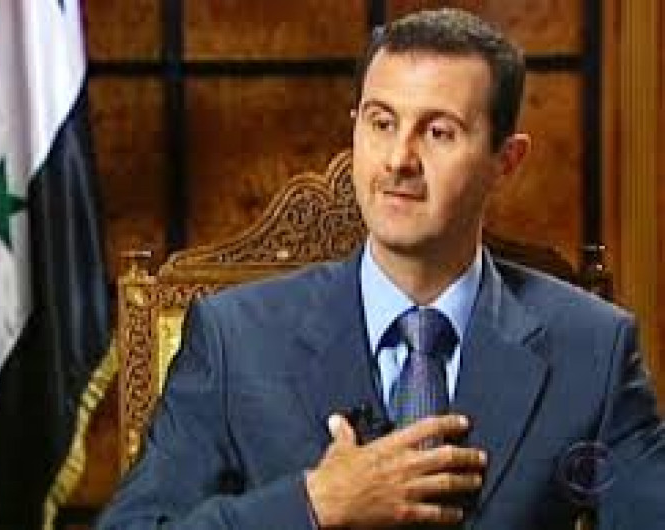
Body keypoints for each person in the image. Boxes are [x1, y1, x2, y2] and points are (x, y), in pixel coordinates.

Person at [97, 8, 665, 529]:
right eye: (381, 123)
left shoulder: (593, 348)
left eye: (438, 132)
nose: (398, 160)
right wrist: (313, 505)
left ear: (505, 160)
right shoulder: (234, 339)